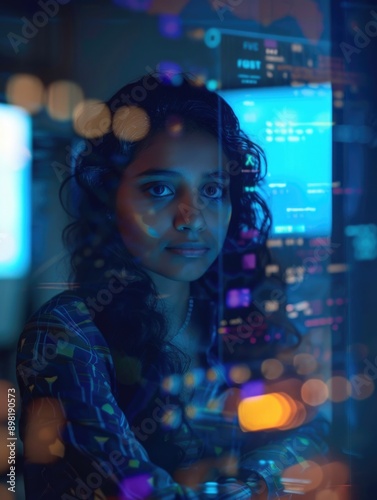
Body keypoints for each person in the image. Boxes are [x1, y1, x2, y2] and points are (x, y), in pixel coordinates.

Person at [16, 73, 329, 499]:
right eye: (160, 189)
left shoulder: (232, 311)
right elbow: (139, 492)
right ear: (109, 201)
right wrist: (256, 487)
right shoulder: (66, 334)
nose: (192, 217)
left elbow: (313, 431)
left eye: (213, 189)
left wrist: (255, 481)